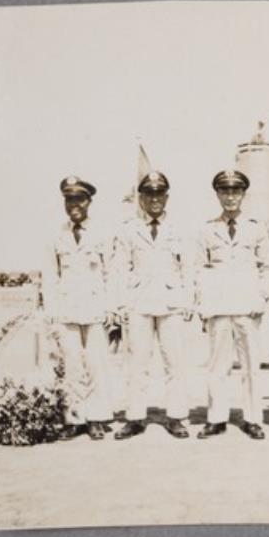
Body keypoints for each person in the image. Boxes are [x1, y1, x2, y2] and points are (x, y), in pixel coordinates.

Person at [112, 171, 193, 439]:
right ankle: (135, 418)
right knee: (137, 363)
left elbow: (188, 268)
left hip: (172, 303)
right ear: (141, 199)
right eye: (149, 194)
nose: (155, 199)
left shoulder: (179, 230)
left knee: (175, 362)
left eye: (159, 194)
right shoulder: (129, 230)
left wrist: (188, 300)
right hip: (139, 302)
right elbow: (120, 268)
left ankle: (176, 417)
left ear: (166, 197)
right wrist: (122, 304)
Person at [195, 169, 269, 439]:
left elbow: (268, 267)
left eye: (235, 191)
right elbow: (199, 269)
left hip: (247, 307)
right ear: (217, 194)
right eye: (225, 191)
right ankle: (216, 418)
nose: (230, 197)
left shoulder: (256, 228)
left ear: (243, 195)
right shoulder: (207, 229)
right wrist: (203, 304)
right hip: (218, 307)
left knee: (251, 365)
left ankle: (252, 418)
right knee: (218, 365)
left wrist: (261, 298)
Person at [41, 177, 114, 441]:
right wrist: (51, 312)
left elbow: (111, 273)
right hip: (66, 309)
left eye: (79, 199)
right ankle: (74, 419)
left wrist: (111, 308)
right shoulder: (55, 235)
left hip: (96, 308)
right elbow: (50, 276)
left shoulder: (102, 233)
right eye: (69, 199)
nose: (74, 205)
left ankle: (96, 418)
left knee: (96, 364)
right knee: (72, 365)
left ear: (89, 202)